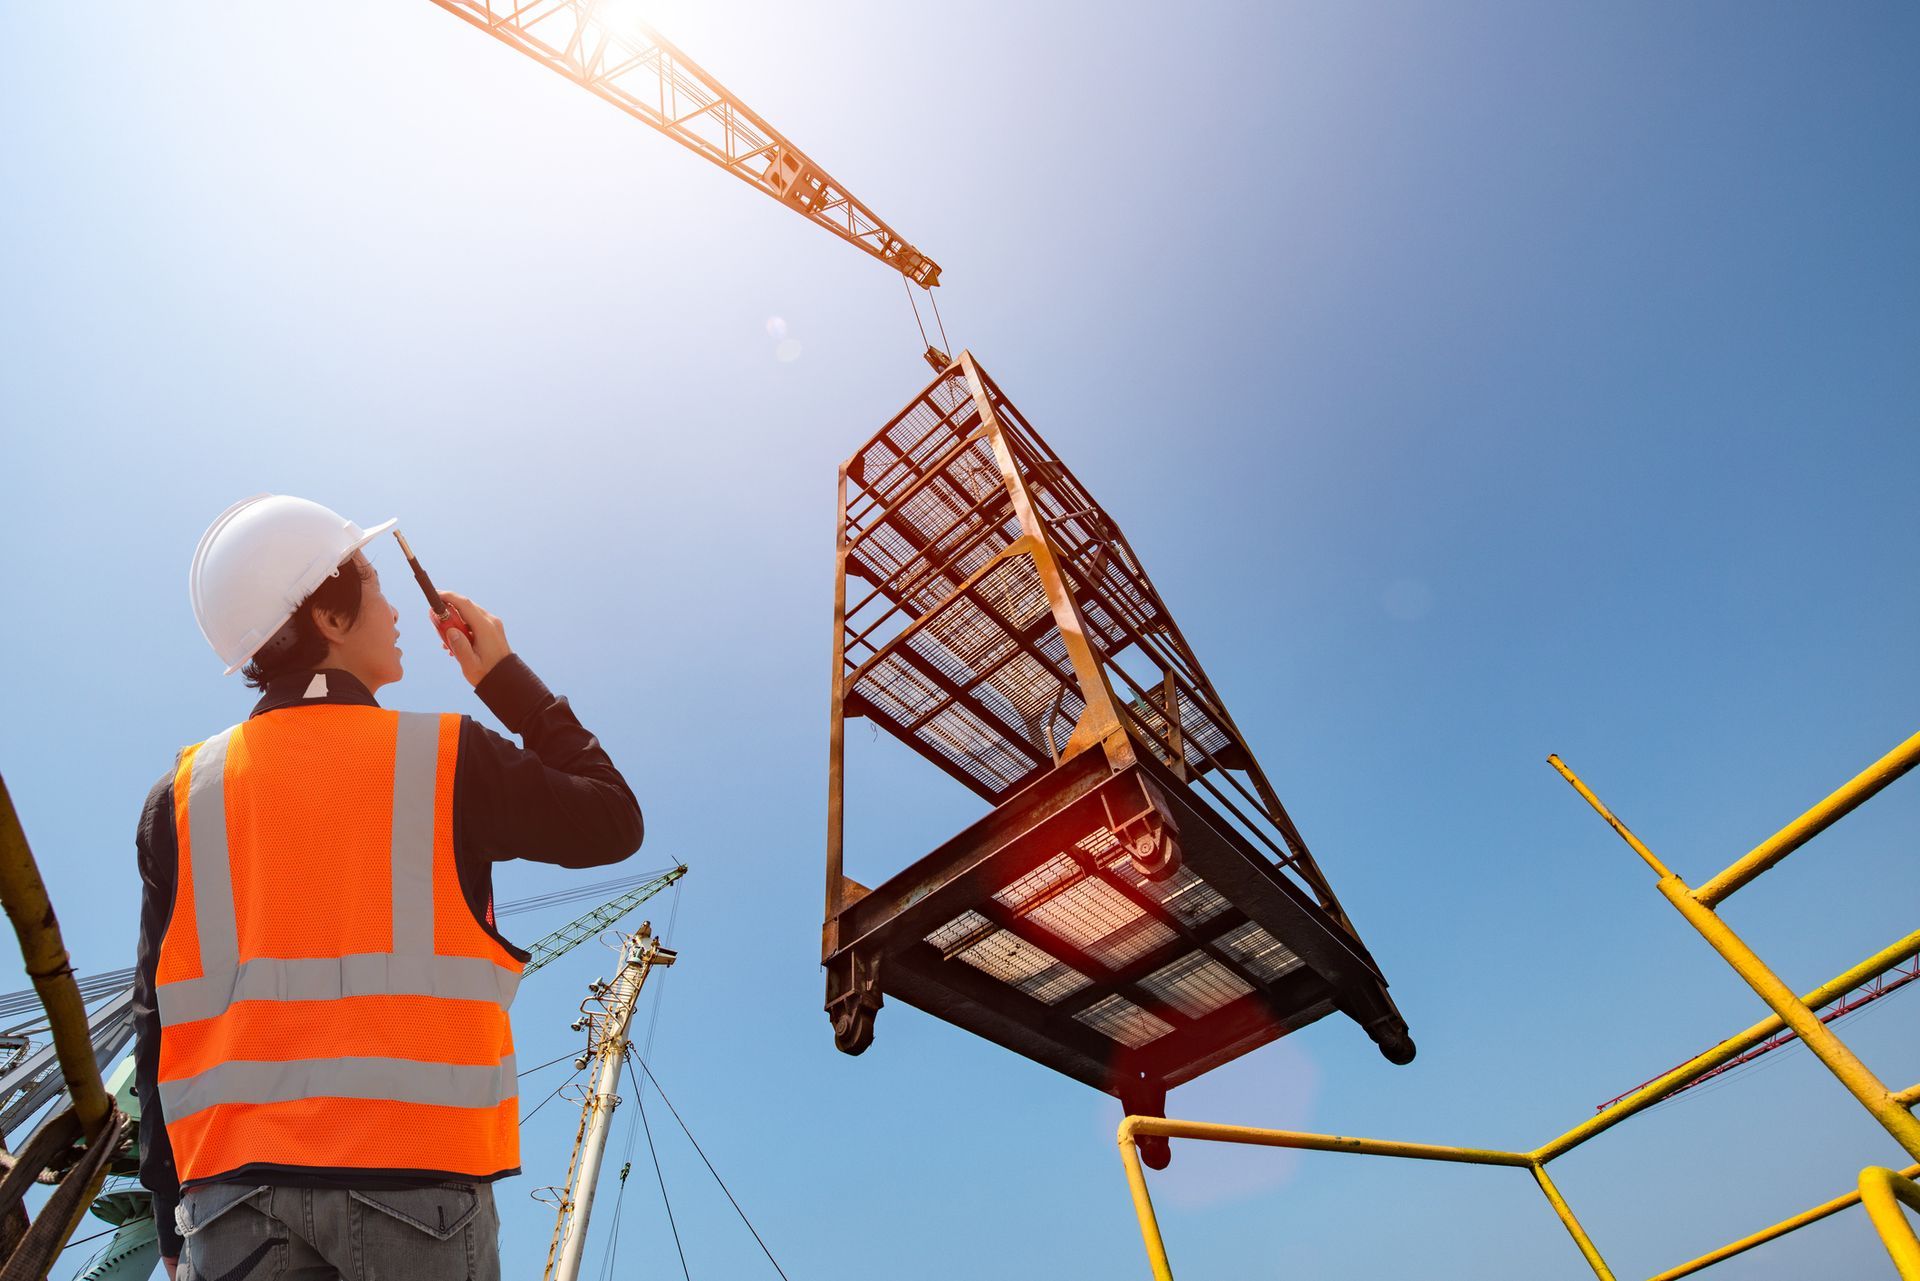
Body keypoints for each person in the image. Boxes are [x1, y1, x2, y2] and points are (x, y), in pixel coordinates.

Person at [133, 495, 644, 1281]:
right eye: (373, 579)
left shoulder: (181, 795)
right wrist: (505, 675)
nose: (395, 605)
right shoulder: (445, 759)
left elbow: (155, 1014)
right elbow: (613, 819)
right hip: (417, 1180)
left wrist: (172, 1216)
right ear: (330, 618)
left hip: (230, 1200)